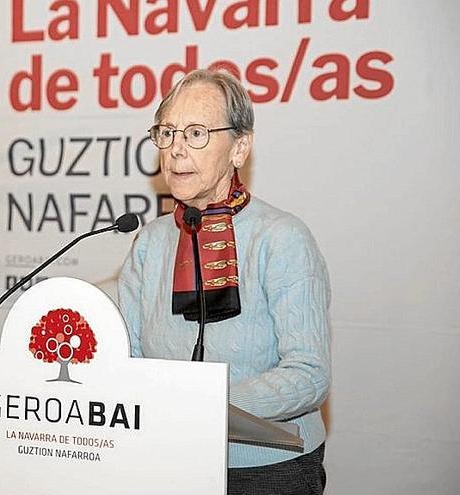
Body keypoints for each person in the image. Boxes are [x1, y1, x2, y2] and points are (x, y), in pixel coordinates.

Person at [118, 69, 330, 494]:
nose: (175, 150)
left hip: (268, 470)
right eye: (167, 132)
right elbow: (128, 356)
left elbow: (309, 374)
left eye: (196, 133)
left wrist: (208, 403)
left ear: (239, 148)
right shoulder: (150, 242)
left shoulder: (282, 238)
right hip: (169, 458)